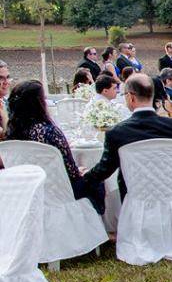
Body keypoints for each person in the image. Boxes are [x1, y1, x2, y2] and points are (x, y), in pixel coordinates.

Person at [83, 74, 172, 201]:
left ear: (131, 97)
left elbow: (104, 170)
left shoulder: (117, 132)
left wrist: (82, 178)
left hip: (136, 202)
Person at [5, 80, 106, 213]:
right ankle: (97, 224)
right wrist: (81, 172)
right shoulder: (50, 131)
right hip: (59, 191)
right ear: (39, 103)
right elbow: (71, 173)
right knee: (96, 181)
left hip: (29, 191)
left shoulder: (11, 133)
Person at [0, 60, 9, 139]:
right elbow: (6, 136)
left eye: (7, 77)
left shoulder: (5, 101)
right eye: (1, 78)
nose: (6, 82)